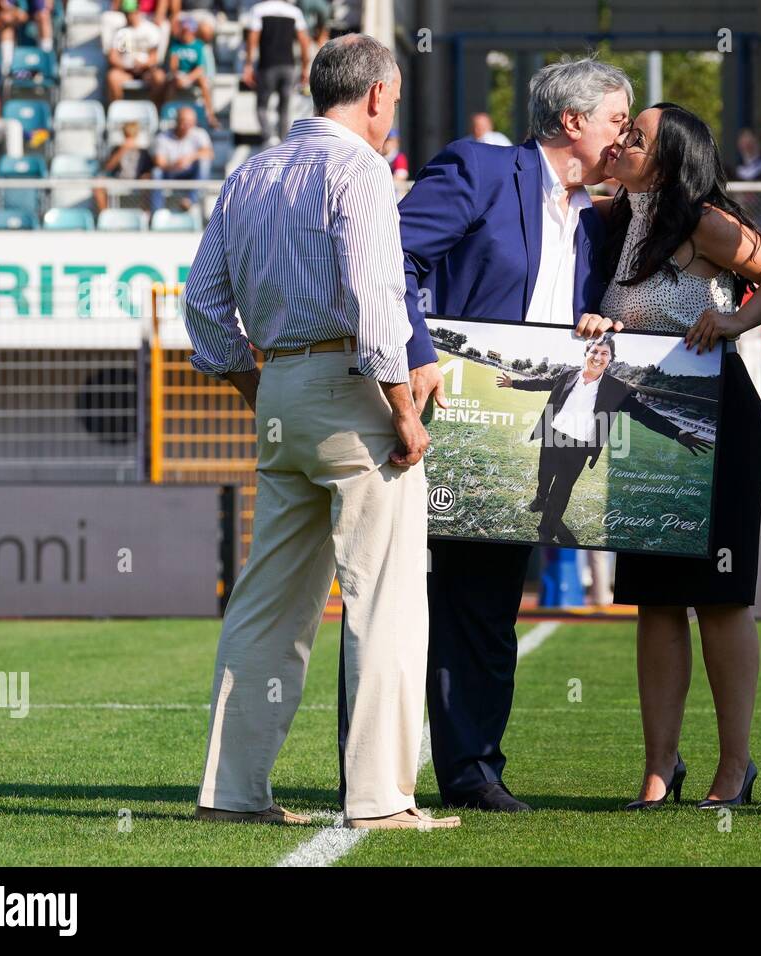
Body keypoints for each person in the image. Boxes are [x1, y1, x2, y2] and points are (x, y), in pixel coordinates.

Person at [185, 35, 456, 832]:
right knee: (387, 600)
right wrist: (405, 411)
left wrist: (254, 386)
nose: (393, 114)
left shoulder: (250, 172)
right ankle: (380, 800)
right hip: (354, 391)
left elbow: (202, 302)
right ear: (376, 95)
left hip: (282, 390)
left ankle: (232, 793)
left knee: (267, 602)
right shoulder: (362, 170)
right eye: (396, 100)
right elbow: (380, 304)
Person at [397, 57, 629, 812]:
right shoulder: (479, 168)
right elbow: (388, 259)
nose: (623, 137)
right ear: (572, 123)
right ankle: (372, 772)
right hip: (427, 420)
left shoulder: (601, 223)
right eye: (616, 122)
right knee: (395, 605)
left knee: (490, 611)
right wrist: (418, 356)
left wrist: (604, 326)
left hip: (521, 438)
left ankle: (473, 773)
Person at [576, 102, 761, 810]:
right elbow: (619, 319)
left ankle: (734, 767)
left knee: (722, 599)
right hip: (645, 425)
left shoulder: (704, 219)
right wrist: (598, 323)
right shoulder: (617, 224)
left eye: (635, 137)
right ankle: (659, 766)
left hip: (719, 420)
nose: (620, 143)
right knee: (656, 603)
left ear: (667, 161)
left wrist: (734, 318)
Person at [496, 334, 713, 546]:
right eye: (595, 351)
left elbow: (643, 413)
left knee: (561, 490)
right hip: (552, 436)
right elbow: (543, 383)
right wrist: (513, 383)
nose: (598, 357)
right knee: (544, 475)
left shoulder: (616, 388)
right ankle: (540, 497)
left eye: (605, 353)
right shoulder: (567, 373)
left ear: (610, 360)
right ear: (586, 352)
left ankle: (546, 532)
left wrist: (677, 433)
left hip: (579, 447)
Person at [243, 0, 312, 146]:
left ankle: (269, 137)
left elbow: (252, 39)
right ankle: (283, 142)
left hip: (267, 65)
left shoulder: (259, 9)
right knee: (284, 108)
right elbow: (304, 41)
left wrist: (248, 65)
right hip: (289, 66)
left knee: (261, 106)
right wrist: (305, 66)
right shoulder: (294, 12)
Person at [150, 105, 213, 212]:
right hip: (169, 173)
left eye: (191, 122)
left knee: (204, 163)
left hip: (190, 173)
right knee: (156, 172)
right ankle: (156, 212)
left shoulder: (200, 133)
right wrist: (174, 166)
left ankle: (190, 200)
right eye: (184, 121)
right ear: (177, 121)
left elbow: (209, 153)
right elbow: (159, 162)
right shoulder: (162, 137)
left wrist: (190, 158)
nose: (187, 125)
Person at [106, 0, 166, 104]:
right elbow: (113, 56)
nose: (129, 15)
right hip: (126, 71)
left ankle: (155, 111)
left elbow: (154, 56)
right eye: (127, 13)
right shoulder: (121, 32)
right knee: (113, 77)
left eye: (132, 12)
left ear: (138, 11)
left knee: (159, 77)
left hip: (146, 71)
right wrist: (125, 65)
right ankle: (118, 110)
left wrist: (144, 64)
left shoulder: (151, 29)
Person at [166, 15, 219, 129]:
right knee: (171, 83)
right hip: (179, 75)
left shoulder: (198, 46)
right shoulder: (175, 45)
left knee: (203, 82)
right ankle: (167, 115)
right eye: (184, 30)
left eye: (188, 31)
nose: (186, 33)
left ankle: (210, 114)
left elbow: (200, 68)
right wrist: (177, 76)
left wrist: (188, 79)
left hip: (193, 76)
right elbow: (173, 66)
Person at [93, 119, 153, 212]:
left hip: (137, 181)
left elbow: (148, 171)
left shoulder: (143, 152)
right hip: (118, 180)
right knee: (98, 183)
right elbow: (107, 168)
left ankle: (145, 215)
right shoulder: (117, 149)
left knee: (147, 180)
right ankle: (104, 216)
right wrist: (122, 151)